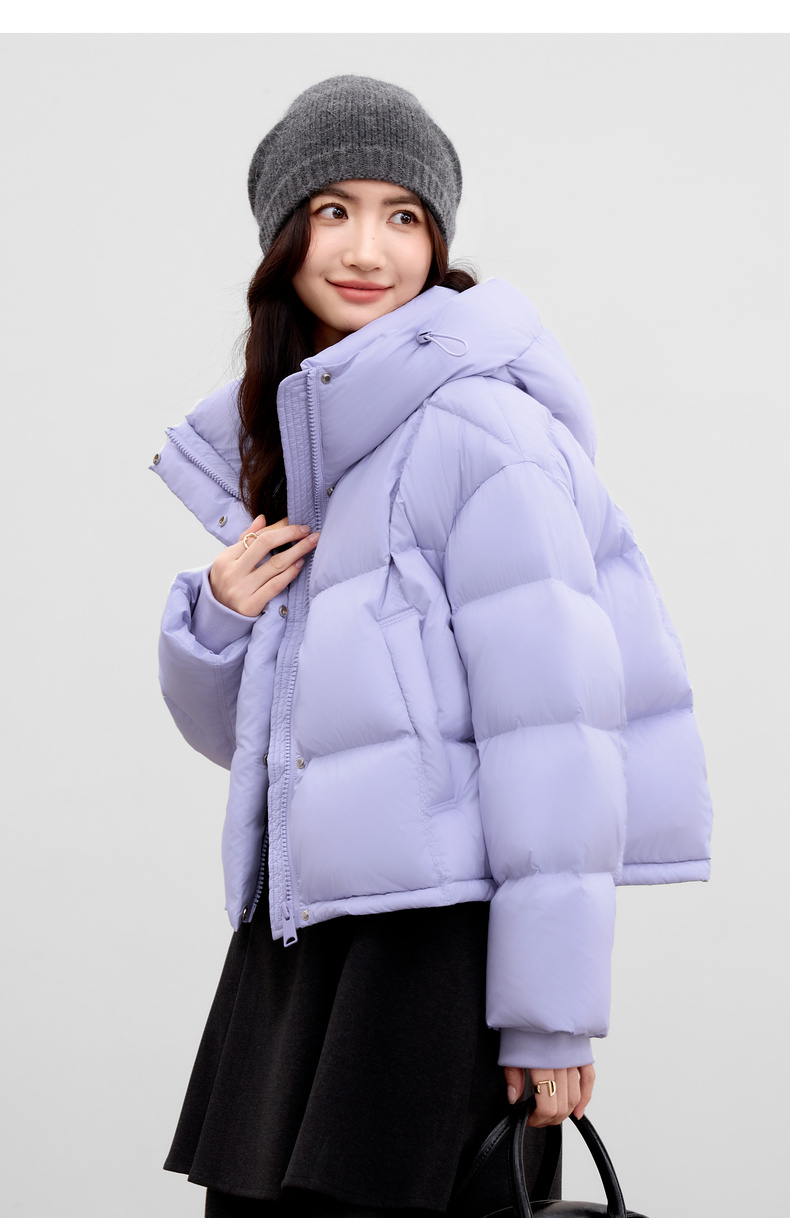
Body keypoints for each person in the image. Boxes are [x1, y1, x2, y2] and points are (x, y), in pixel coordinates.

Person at [150, 76, 713, 1217]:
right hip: (299, 937)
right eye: (334, 210)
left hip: (428, 958)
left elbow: (555, 738)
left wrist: (550, 1016)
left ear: (438, 241)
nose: (369, 249)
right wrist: (218, 617)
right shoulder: (305, 444)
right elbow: (276, 753)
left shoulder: (479, 429)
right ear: (283, 236)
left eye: (403, 215)